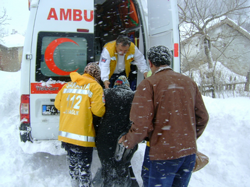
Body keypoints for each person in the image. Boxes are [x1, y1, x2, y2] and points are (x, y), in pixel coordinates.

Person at [119, 46, 209, 187]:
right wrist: (186, 138)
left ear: (150, 63)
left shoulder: (148, 84)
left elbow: (142, 124)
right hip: (188, 154)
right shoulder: (189, 82)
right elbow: (203, 117)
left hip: (163, 154)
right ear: (169, 62)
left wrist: (128, 141)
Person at [54, 62, 105, 187]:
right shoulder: (95, 87)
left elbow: (58, 105)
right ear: (97, 76)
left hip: (67, 134)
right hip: (82, 135)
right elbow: (98, 111)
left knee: (73, 163)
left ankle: (73, 183)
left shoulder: (68, 85)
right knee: (84, 168)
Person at [95, 76, 139, 187]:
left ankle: (107, 183)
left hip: (105, 138)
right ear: (127, 86)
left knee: (107, 167)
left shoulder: (105, 93)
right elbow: (137, 119)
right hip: (124, 139)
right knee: (122, 167)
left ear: (115, 85)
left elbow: (97, 114)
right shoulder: (134, 96)